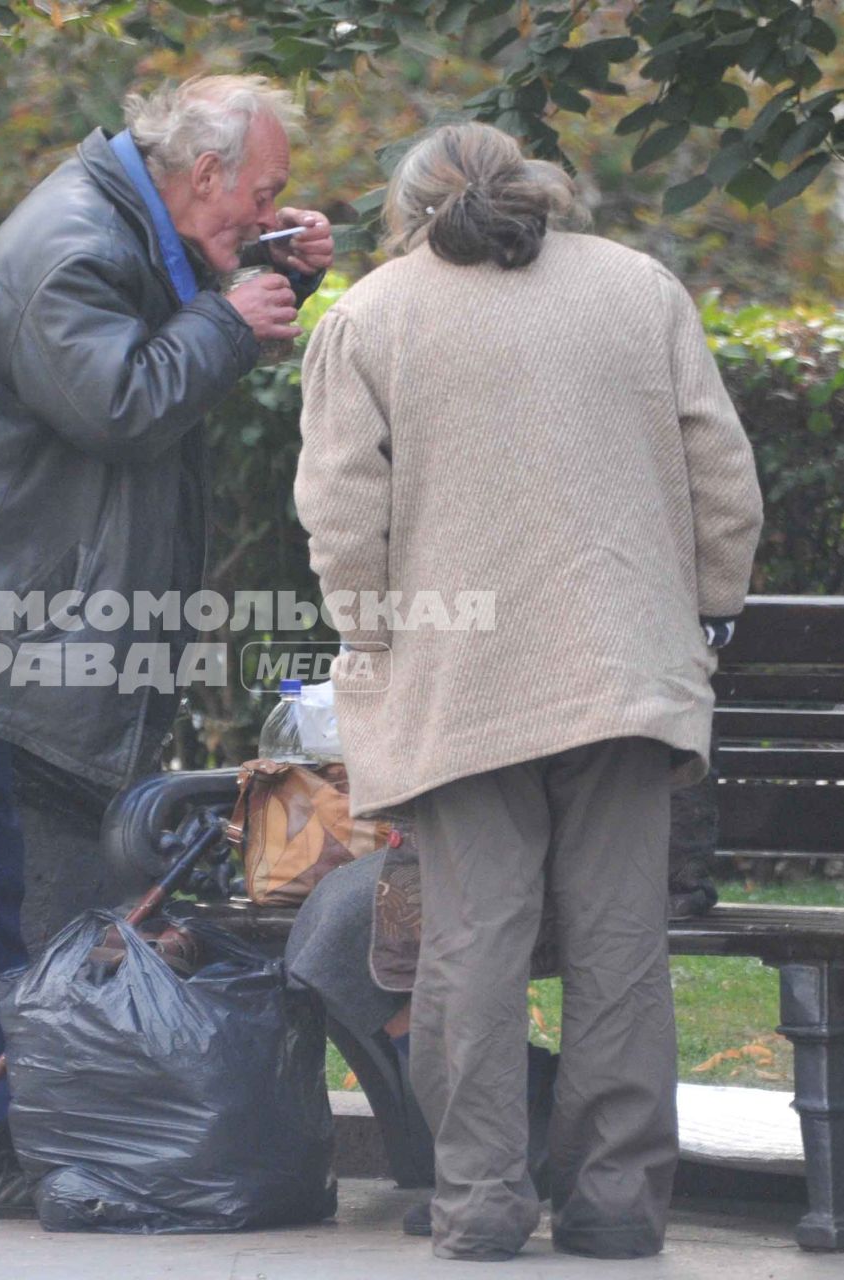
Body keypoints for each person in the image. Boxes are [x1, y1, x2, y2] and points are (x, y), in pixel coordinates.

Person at [0, 76, 334, 1218]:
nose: (266, 209)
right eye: (261, 192)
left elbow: (156, 329)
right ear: (200, 173)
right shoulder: (71, 243)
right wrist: (228, 315)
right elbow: (118, 399)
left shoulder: (120, 223)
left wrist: (268, 275)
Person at [294, 122, 762, 1260]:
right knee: (618, 942)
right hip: (624, 670)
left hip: (460, 677)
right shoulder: (640, 289)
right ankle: (613, 1205)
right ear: (535, 189)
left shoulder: (371, 314)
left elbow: (343, 518)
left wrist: (369, 641)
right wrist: (702, 610)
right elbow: (724, 476)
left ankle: (483, 1200)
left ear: (408, 206)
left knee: (470, 944)